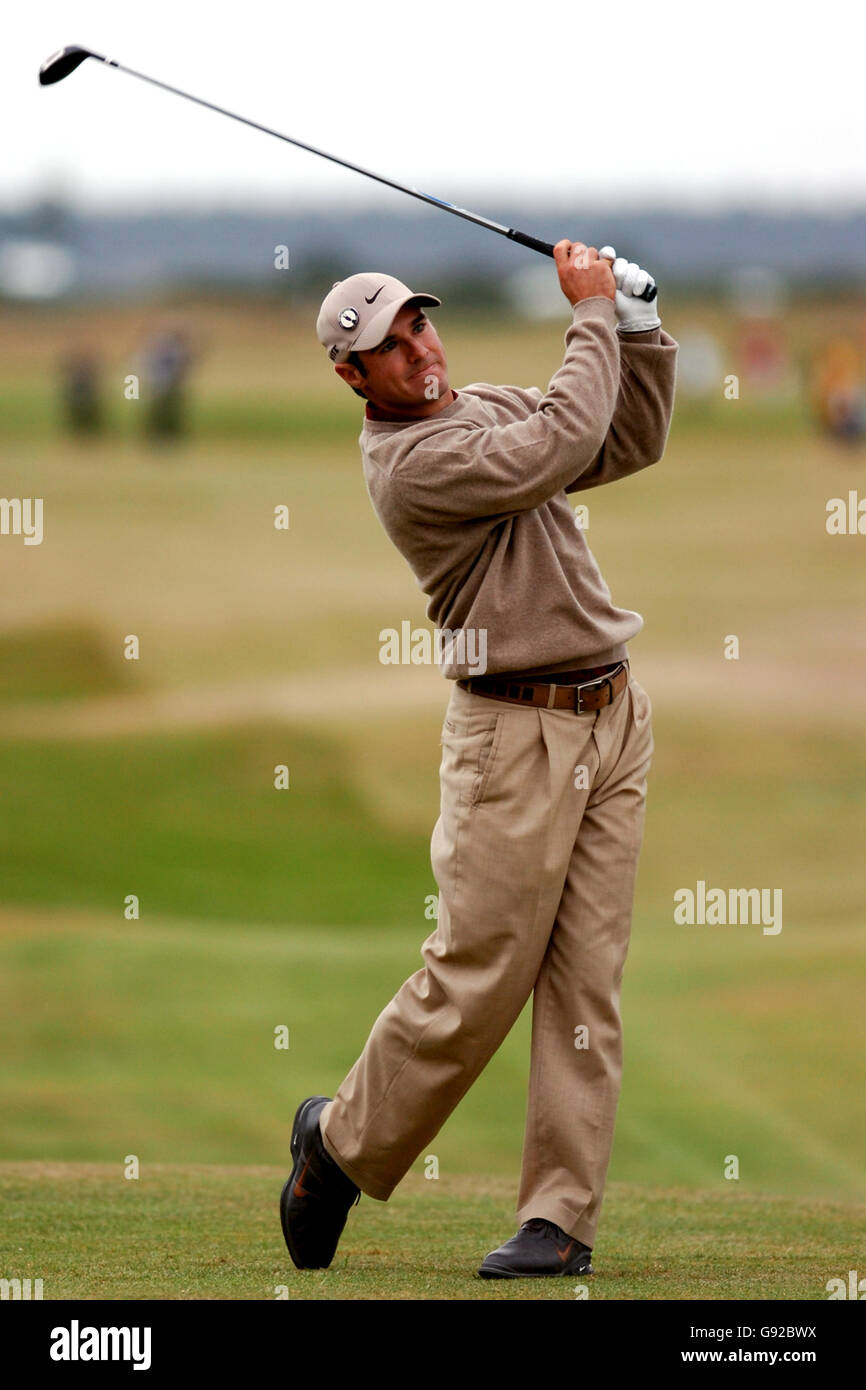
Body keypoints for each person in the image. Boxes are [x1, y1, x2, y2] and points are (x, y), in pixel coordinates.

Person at [281, 242, 678, 1279]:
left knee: (587, 981)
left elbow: (615, 437)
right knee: (476, 978)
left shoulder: (477, 407)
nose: (418, 350)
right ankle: (336, 1144)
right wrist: (590, 312)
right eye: (388, 345)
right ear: (350, 375)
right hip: (513, 735)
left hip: (611, 712)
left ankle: (557, 1218)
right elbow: (552, 447)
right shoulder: (411, 467)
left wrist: (637, 327)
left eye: (419, 325)